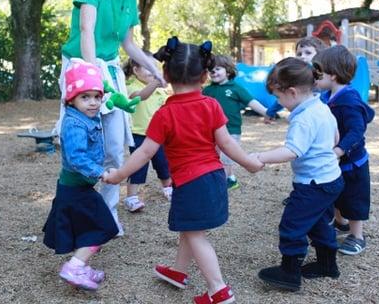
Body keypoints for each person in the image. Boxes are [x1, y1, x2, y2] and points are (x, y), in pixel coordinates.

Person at [102, 36, 262, 304]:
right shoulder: (211, 105)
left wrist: (118, 176)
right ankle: (178, 271)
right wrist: (247, 162)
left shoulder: (164, 114)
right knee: (191, 229)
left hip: (190, 183)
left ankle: (218, 290)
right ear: (204, 76)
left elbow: (144, 152)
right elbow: (225, 144)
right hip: (213, 178)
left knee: (195, 234)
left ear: (165, 73)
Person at [57, 0, 165, 236]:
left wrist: (154, 68)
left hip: (110, 69)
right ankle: (75, 213)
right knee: (82, 147)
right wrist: (94, 79)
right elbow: (87, 31)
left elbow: (129, 45)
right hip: (81, 68)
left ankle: (107, 215)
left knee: (116, 147)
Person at [253, 57, 344, 292]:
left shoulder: (303, 119)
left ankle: (289, 272)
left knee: (292, 225)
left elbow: (292, 151)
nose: (278, 101)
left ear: (292, 92)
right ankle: (327, 264)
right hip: (331, 179)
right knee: (318, 222)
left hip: (312, 185)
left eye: (278, 97)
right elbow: (335, 139)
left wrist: (261, 156)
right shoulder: (322, 107)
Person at [42, 59, 118, 291]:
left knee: (85, 229)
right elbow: (76, 158)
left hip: (77, 188)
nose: (93, 103)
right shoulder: (75, 124)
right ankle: (74, 266)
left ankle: (81, 267)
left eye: (97, 96)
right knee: (103, 227)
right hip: (76, 189)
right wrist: (101, 172)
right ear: (71, 99)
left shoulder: (87, 118)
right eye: (85, 97)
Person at [313, 45, 375, 255]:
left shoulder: (348, 100)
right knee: (336, 193)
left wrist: (339, 150)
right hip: (336, 161)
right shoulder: (327, 97)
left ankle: (357, 235)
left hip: (352, 162)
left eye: (318, 74)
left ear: (333, 75)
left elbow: (357, 130)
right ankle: (340, 222)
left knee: (354, 198)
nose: (314, 78)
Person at [202, 54, 267, 190]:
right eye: (211, 70)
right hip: (211, 130)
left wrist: (268, 113)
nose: (213, 72)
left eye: (218, 69)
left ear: (228, 70)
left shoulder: (236, 88)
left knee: (227, 157)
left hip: (231, 129)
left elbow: (252, 102)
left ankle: (225, 182)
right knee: (215, 155)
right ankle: (229, 178)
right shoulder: (207, 90)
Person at [122, 54, 173, 212]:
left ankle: (168, 188)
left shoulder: (160, 92)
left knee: (163, 163)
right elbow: (141, 96)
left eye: (155, 67)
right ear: (136, 70)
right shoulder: (130, 86)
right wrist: (157, 82)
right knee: (138, 166)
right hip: (139, 134)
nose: (153, 70)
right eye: (148, 67)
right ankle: (131, 197)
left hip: (159, 136)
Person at [264, 36, 328, 123]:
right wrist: (270, 112)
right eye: (299, 54)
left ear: (320, 56)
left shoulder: (324, 78)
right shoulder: (296, 77)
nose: (302, 57)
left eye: (308, 53)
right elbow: (283, 94)